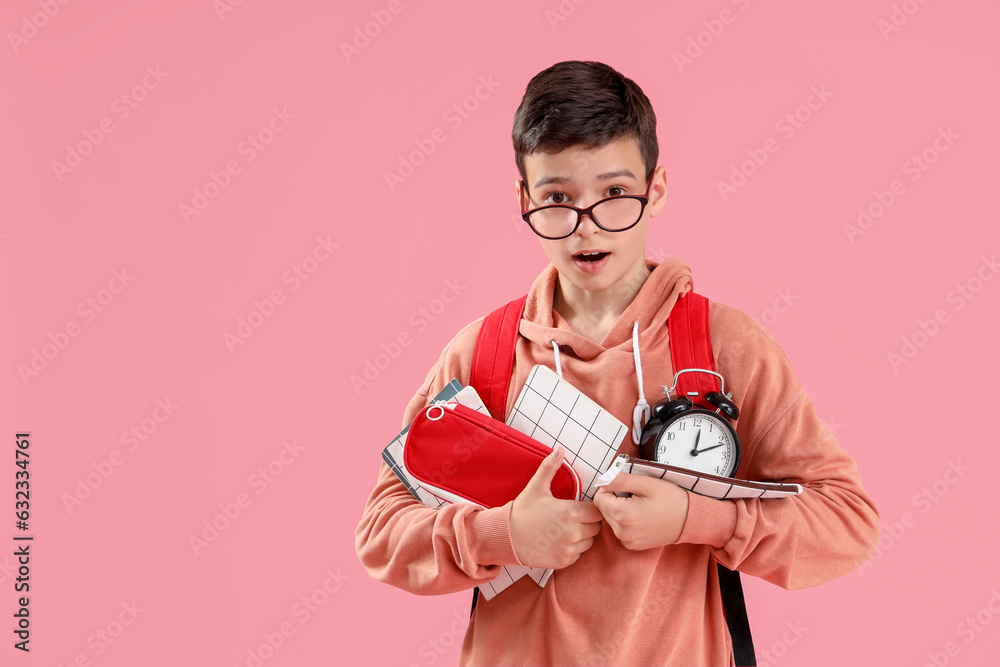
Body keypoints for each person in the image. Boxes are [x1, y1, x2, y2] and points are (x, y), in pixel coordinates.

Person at [355, 60, 879, 666]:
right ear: (524, 199)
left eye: (614, 193)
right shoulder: (482, 355)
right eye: (558, 198)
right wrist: (506, 535)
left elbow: (846, 522)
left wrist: (698, 518)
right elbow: (382, 534)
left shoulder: (726, 347)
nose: (587, 227)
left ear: (655, 190)